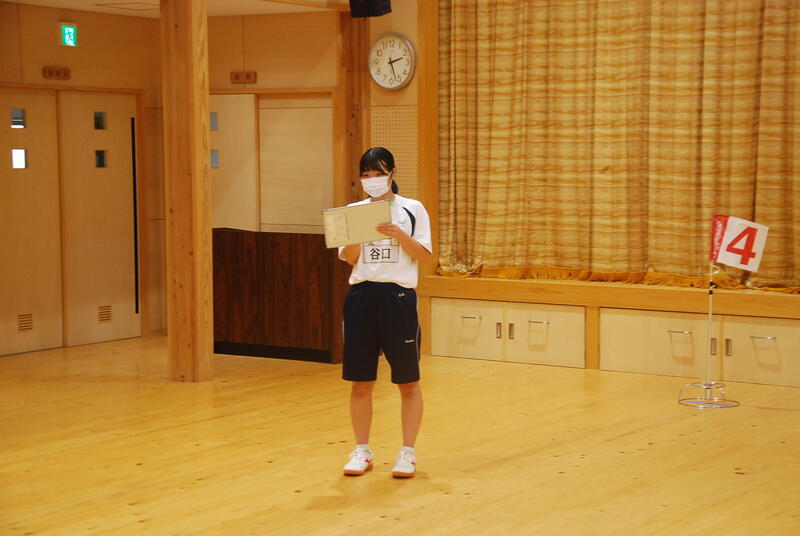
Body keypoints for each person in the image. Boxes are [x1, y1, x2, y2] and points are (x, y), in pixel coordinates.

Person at [338, 147, 432, 479]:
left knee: (408, 380)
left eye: (378, 173)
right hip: (361, 297)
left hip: (398, 298)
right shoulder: (353, 211)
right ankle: (362, 450)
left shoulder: (412, 209)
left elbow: (423, 255)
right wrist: (360, 233)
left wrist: (398, 234)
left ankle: (407, 453)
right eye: (366, 175)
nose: (372, 180)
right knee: (360, 381)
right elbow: (349, 258)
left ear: (392, 173)